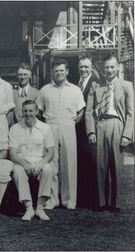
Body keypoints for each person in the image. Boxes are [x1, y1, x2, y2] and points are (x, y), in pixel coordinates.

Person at [85, 55, 134, 213]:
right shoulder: (95, 85)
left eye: (112, 67)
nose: (109, 70)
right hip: (101, 125)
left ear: (118, 67)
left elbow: (131, 113)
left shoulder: (126, 85)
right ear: (103, 69)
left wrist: (127, 135)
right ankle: (101, 202)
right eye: (106, 67)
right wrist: (91, 131)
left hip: (117, 125)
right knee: (100, 165)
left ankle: (116, 203)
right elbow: (89, 111)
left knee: (116, 166)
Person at [36, 58, 85, 210]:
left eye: (61, 70)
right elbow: (39, 111)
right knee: (52, 163)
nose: (59, 73)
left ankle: (69, 200)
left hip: (69, 126)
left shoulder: (75, 89)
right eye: (56, 71)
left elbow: (81, 110)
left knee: (69, 164)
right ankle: (51, 200)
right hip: (50, 125)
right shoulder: (45, 90)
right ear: (52, 72)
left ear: (67, 71)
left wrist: (71, 123)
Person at [9, 100, 55, 221]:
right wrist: (24, 164)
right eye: (25, 111)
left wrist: (41, 164)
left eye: (31, 111)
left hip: (39, 161)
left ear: (36, 112)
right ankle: (29, 208)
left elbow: (50, 153)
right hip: (21, 162)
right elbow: (12, 154)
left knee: (48, 169)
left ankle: (40, 208)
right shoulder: (15, 128)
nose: (28, 114)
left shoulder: (45, 128)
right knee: (18, 171)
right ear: (22, 112)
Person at [76, 56, 100, 209]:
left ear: (91, 68)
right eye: (81, 67)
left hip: (90, 129)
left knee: (91, 164)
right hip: (79, 129)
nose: (83, 70)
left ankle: (93, 199)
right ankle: (83, 197)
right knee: (82, 163)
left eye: (86, 67)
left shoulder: (95, 83)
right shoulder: (78, 82)